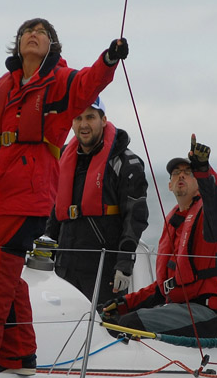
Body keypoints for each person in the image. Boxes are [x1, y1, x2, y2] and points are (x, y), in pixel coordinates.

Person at [0, 19, 129, 374]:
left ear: (52, 45)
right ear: (18, 42)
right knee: (4, 271)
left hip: (28, 191)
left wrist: (109, 59)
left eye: (41, 32)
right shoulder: (1, 86)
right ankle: (20, 356)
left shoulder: (60, 80)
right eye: (28, 30)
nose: (33, 34)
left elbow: (89, 83)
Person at [100, 135, 217, 338]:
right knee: (113, 319)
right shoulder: (175, 222)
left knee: (128, 324)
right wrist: (125, 304)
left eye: (188, 172)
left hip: (211, 313)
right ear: (169, 185)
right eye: (176, 173)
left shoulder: (213, 215)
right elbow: (163, 288)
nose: (181, 176)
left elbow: (215, 197)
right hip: (183, 309)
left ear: (199, 182)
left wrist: (203, 169)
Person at [43, 96, 149, 304]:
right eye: (78, 118)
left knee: (104, 328)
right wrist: (45, 248)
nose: (84, 124)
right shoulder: (64, 157)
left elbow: (135, 216)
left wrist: (125, 263)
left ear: (103, 120)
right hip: (65, 266)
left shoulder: (126, 163)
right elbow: (57, 210)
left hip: (103, 269)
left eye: (90, 117)